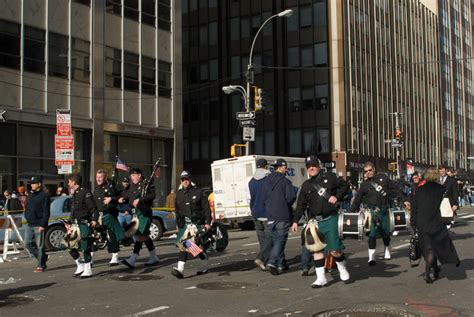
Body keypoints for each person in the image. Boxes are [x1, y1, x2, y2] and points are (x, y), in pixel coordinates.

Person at [292, 155, 350, 287]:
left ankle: (342, 268)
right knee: (316, 250)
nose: (311, 168)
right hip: (315, 222)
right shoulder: (306, 185)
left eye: (313, 165)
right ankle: (321, 278)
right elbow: (300, 204)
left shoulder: (330, 177)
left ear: (318, 166)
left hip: (330, 218)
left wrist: (337, 197)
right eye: (308, 166)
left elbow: (345, 185)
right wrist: (295, 221)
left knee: (334, 250)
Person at [350, 162, 409, 266]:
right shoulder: (364, 184)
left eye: (370, 170)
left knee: (385, 233)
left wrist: (403, 200)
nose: (368, 172)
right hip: (371, 213)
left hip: (383, 210)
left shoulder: (383, 178)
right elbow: (357, 199)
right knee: (371, 235)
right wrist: (351, 213)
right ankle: (371, 257)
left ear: (374, 169)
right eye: (366, 171)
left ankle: (387, 248)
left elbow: (395, 190)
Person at [411, 167, 460, 283]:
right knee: (435, 246)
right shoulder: (442, 189)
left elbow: (414, 207)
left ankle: (433, 271)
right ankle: (428, 273)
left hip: (422, 222)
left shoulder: (419, 190)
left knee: (428, 248)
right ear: (437, 176)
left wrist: (413, 222)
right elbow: (447, 204)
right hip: (436, 221)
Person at [171, 170, 212, 279]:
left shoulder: (199, 192)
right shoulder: (179, 194)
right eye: (183, 179)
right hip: (185, 224)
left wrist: (207, 222)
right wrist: (178, 225)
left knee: (184, 244)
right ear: (181, 181)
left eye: (187, 179)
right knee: (192, 246)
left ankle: (180, 269)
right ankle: (205, 262)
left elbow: (206, 209)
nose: (185, 181)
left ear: (190, 179)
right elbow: (178, 211)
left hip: (198, 223)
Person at [261, 158, 297, 275]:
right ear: (281, 167)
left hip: (270, 215)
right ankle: (272, 262)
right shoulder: (285, 182)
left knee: (276, 239)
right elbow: (291, 197)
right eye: (285, 167)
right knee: (280, 240)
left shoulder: (266, 181)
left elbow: (263, 198)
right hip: (282, 214)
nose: (286, 170)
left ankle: (281, 264)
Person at [120, 168, 159, 269]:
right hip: (136, 213)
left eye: (133, 175)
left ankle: (133, 259)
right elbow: (127, 196)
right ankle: (154, 257)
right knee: (142, 236)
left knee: (140, 236)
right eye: (131, 175)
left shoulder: (147, 184)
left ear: (139, 175)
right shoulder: (133, 186)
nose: (131, 177)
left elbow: (152, 195)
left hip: (144, 213)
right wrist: (121, 199)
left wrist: (140, 199)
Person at [67, 174, 98, 278]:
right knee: (69, 245)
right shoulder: (74, 193)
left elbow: (93, 208)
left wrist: (94, 219)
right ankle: (79, 265)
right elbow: (73, 210)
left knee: (85, 246)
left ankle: (88, 269)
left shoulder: (85, 192)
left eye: (69, 181)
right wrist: (69, 222)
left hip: (84, 222)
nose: (68, 183)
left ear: (74, 182)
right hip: (75, 224)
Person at [93, 169, 125, 266]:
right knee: (94, 237)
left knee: (111, 236)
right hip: (99, 216)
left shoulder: (111, 186)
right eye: (97, 177)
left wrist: (111, 198)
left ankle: (115, 256)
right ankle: (89, 258)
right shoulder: (96, 189)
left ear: (105, 178)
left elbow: (120, 197)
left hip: (109, 214)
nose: (98, 179)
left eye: (100, 177)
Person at [248, 158, 272, 271]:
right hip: (267, 212)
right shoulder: (268, 179)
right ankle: (261, 258)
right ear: (266, 167)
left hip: (255, 212)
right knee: (270, 238)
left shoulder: (251, 181)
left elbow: (249, 198)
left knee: (262, 239)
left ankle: (268, 262)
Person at [24, 176, 51, 273]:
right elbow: (28, 207)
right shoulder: (31, 194)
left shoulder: (44, 195)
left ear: (39, 184)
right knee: (27, 244)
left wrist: (43, 225)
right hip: (29, 223)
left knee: (40, 246)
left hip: (39, 224)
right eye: (31, 183)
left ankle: (41, 265)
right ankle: (44, 257)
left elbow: (46, 212)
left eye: (33, 183)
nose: (31, 185)